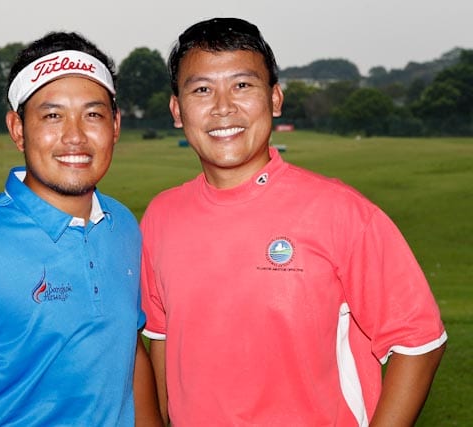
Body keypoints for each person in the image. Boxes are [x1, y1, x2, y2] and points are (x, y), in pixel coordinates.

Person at [140, 17, 447, 426]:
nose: (223, 107)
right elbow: (161, 337)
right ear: (177, 110)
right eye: (202, 90)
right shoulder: (161, 216)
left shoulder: (341, 212)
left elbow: (419, 342)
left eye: (242, 85)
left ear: (275, 99)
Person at [0, 31, 162, 426]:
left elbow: (129, 350)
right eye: (52, 115)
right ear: (17, 128)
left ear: (115, 125)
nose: (75, 136)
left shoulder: (123, 225)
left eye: (93, 114)